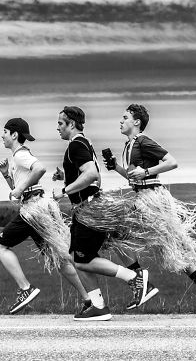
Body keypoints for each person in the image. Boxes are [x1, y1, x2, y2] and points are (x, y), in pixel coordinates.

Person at [103, 103, 196, 319]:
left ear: (136, 122)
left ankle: (141, 282)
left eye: (125, 117)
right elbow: (133, 178)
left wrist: (147, 171)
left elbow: (172, 162)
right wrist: (116, 168)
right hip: (143, 197)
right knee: (170, 247)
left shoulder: (144, 141)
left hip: (151, 200)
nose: (121, 121)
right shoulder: (129, 145)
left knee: (115, 235)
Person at [52, 105, 159, 321]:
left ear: (72, 124)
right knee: (75, 257)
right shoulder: (85, 143)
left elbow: (92, 174)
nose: (58, 128)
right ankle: (98, 306)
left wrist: (64, 190)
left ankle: (134, 278)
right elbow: (96, 178)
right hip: (88, 208)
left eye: (61, 123)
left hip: (88, 209)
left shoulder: (76, 145)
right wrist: (67, 177)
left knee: (82, 261)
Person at [0, 117, 90, 314]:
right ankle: (89, 299)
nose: (2, 136)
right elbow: (18, 190)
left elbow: (40, 169)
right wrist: (6, 175)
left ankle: (25, 288)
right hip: (39, 208)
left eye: (5, 132)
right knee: (59, 260)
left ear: (14, 135)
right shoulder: (18, 157)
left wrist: (20, 189)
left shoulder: (20, 155)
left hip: (33, 210)